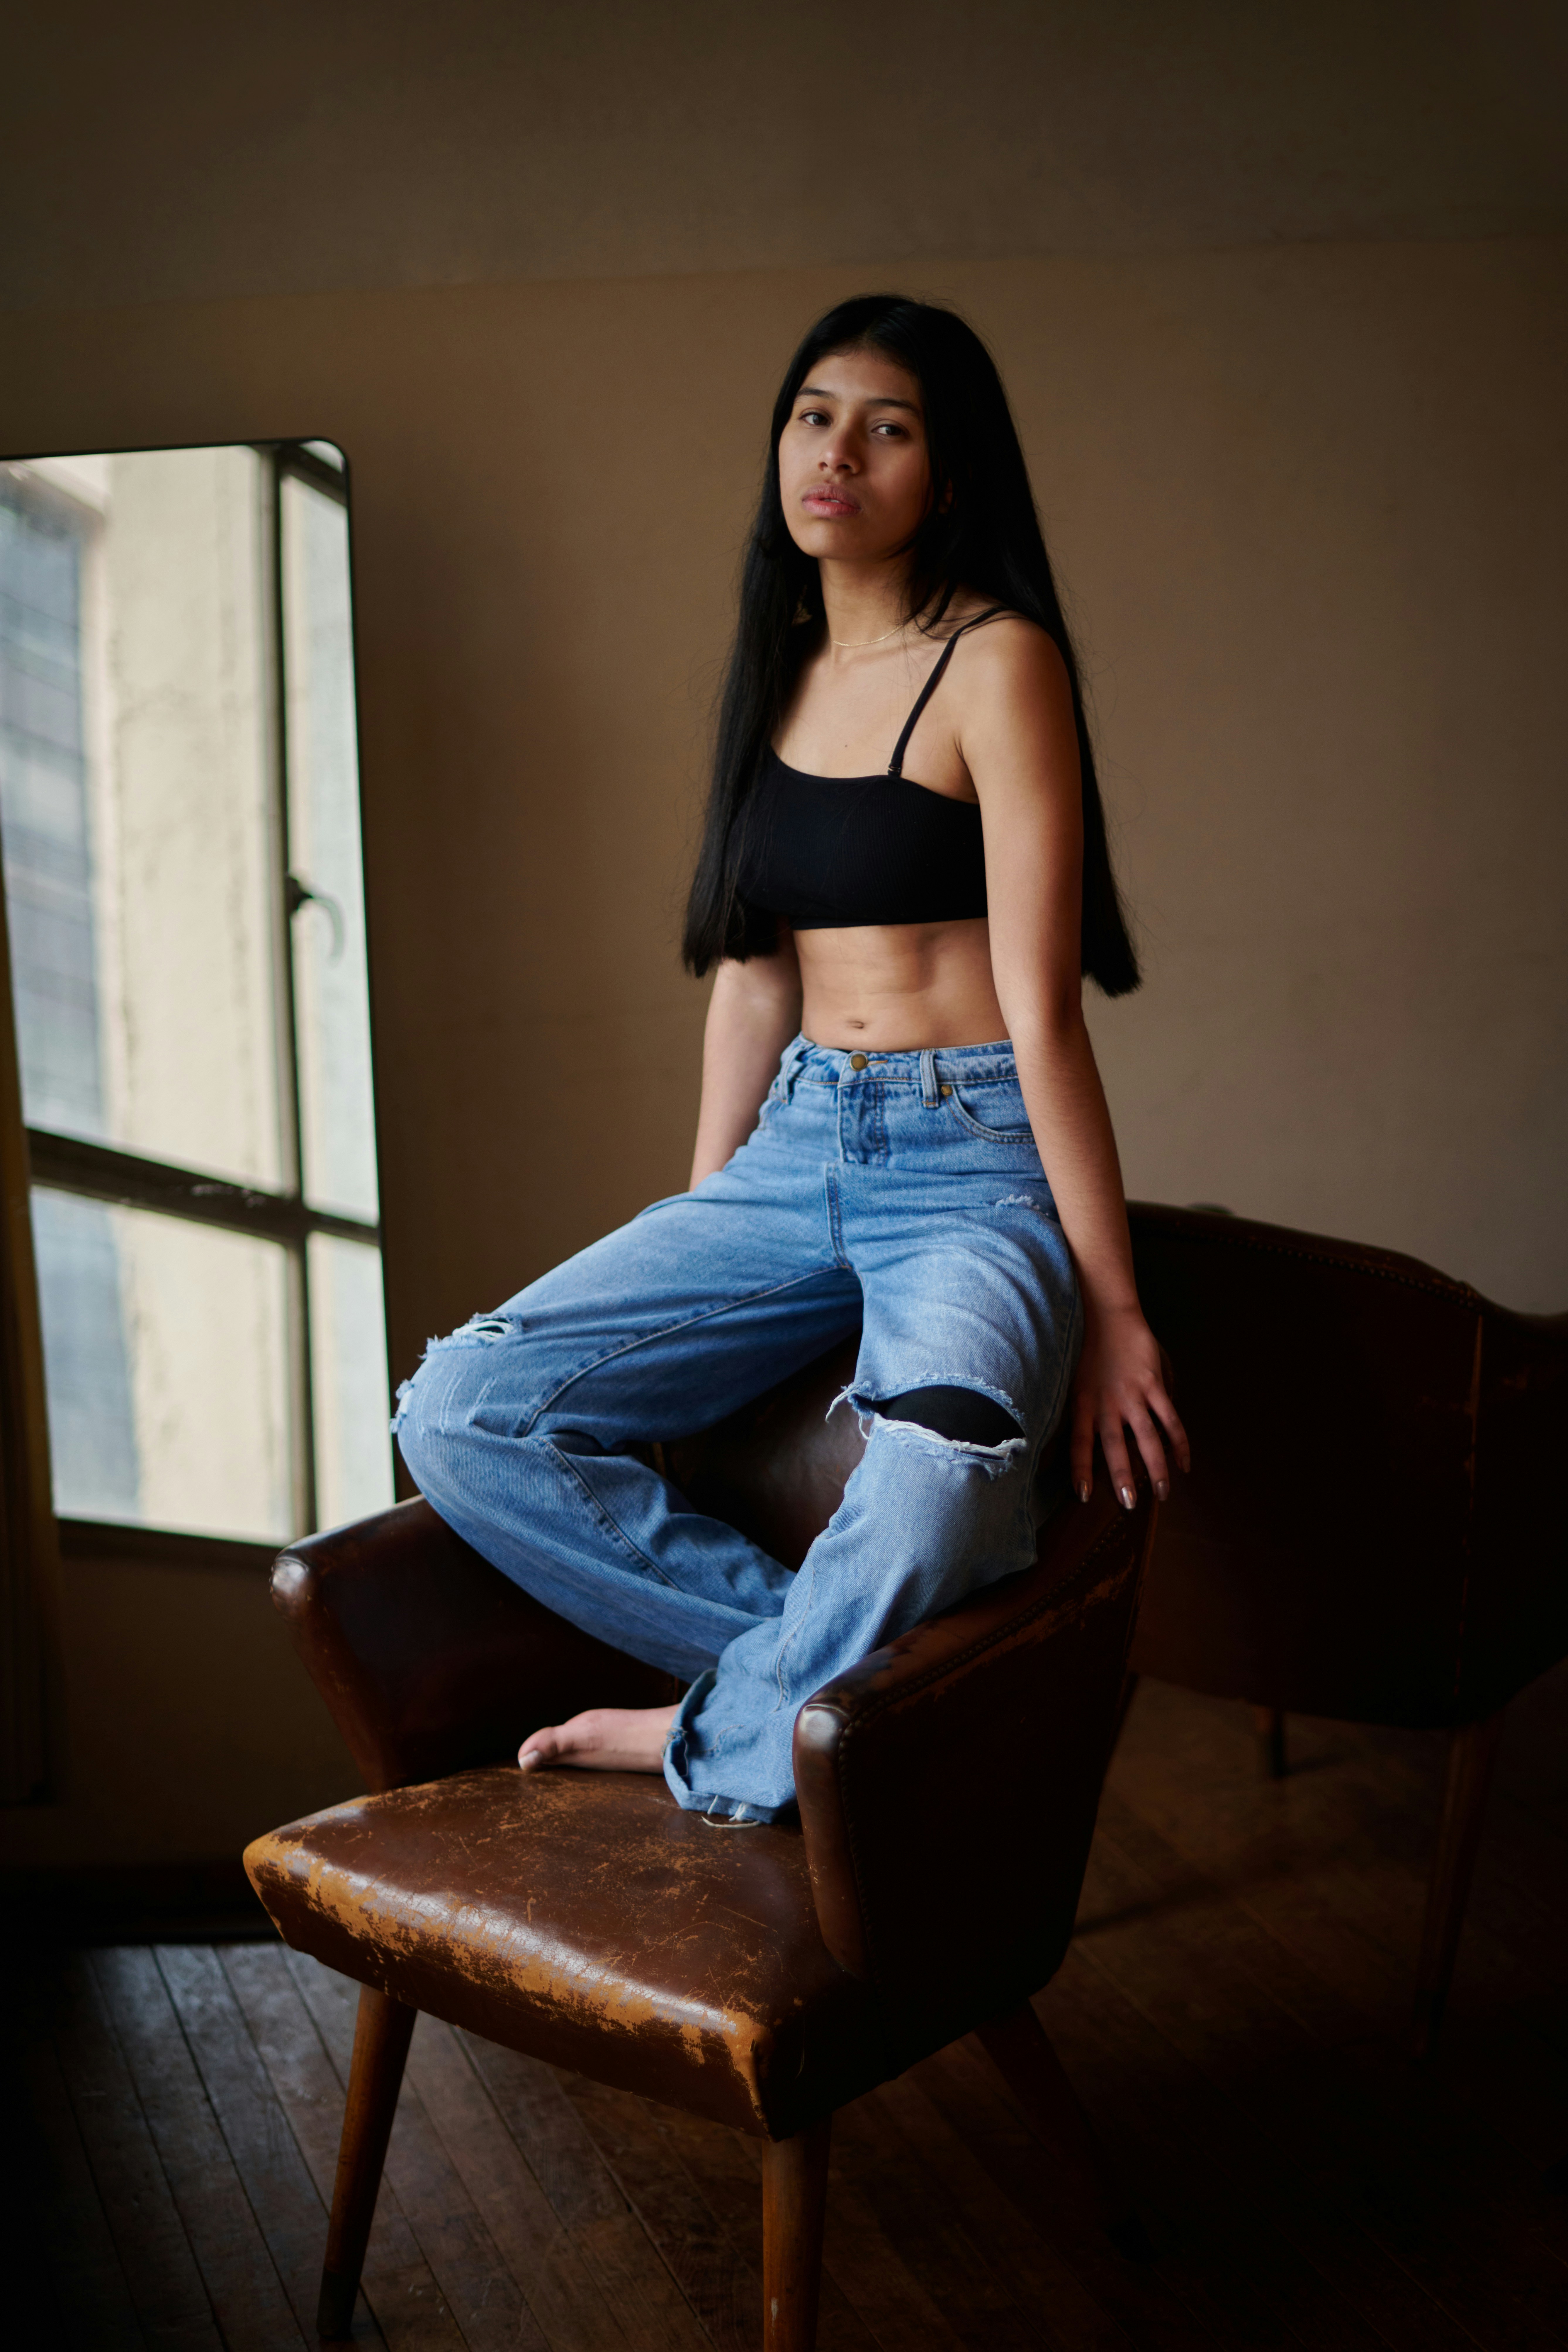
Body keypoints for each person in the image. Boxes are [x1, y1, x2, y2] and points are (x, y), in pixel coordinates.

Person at [394, 293, 1188, 1824]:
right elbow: (749, 984)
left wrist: (1115, 1305)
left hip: (971, 1162)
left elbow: (1044, 1011)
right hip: (791, 1147)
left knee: (944, 1476)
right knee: (454, 1415)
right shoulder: (774, 670)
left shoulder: (997, 662)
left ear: (944, 477)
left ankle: (721, 1725)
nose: (838, 451)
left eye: (886, 427)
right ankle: (808, 1684)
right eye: (814, 415)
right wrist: (702, 1242)